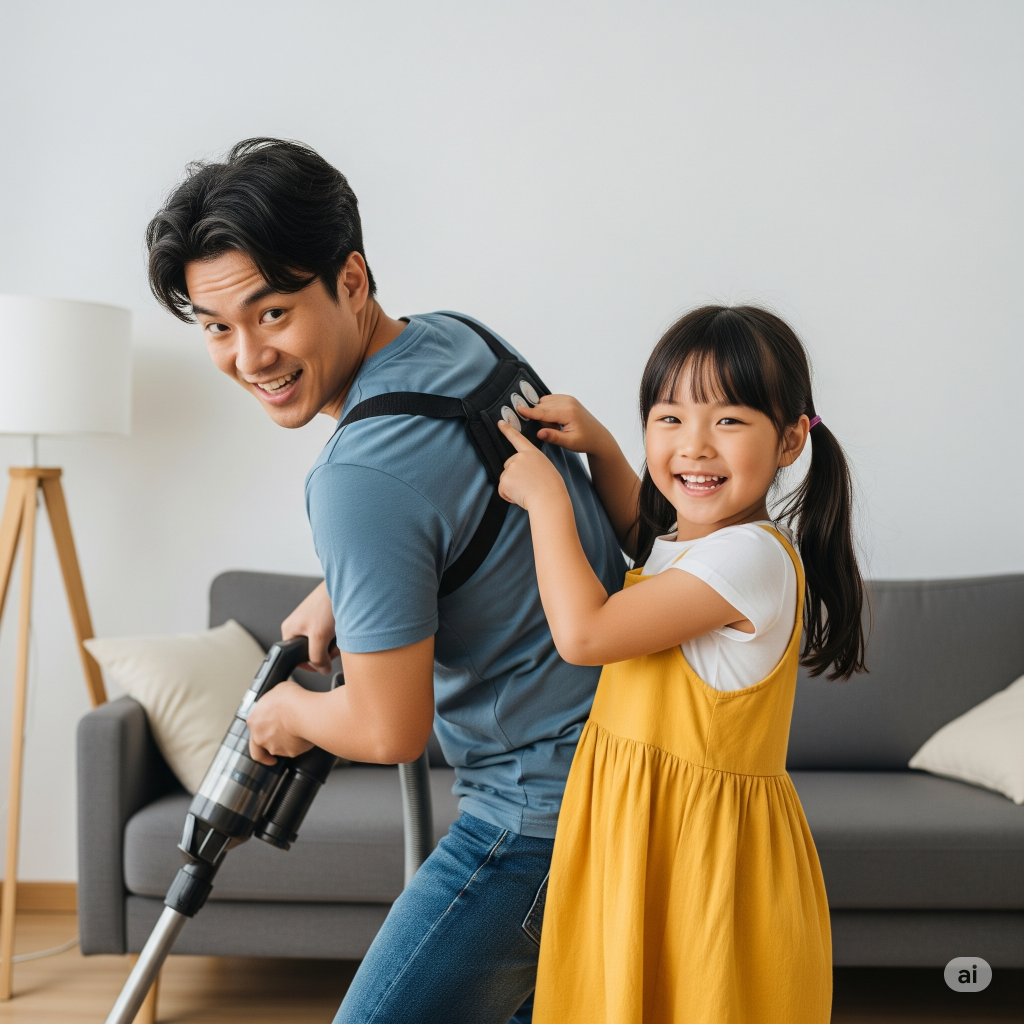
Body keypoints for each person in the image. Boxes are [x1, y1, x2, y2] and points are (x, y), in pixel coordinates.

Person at [145, 138, 625, 1023]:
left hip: (541, 816)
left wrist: (283, 716)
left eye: (273, 313)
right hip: (629, 766)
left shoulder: (357, 477)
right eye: (218, 327)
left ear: (352, 281)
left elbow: (387, 726)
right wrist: (347, 587)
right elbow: (470, 500)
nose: (248, 356)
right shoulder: (463, 341)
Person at [495, 305, 867, 1023]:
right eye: (668, 418)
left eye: (727, 420)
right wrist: (603, 447)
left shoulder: (752, 556)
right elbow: (648, 536)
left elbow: (588, 633)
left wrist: (547, 500)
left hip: (702, 858)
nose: (694, 445)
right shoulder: (695, 546)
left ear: (791, 439)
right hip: (641, 835)